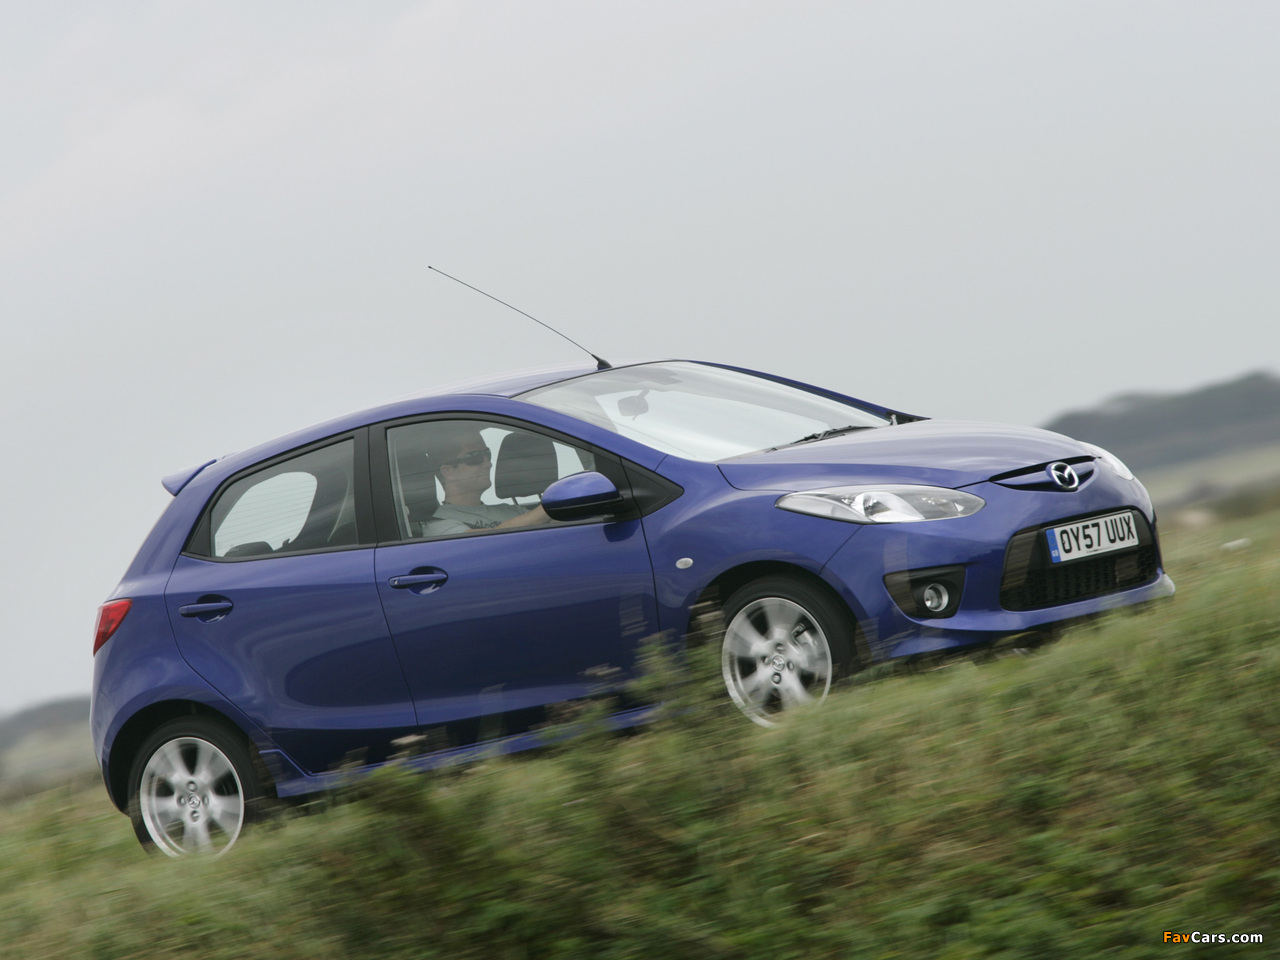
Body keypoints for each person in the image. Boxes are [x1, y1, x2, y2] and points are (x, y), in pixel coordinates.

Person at [421, 423, 550, 537]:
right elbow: (489, 541)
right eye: (475, 457)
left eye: (487, 454)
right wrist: (548, 508)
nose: (488, 464)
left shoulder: (512, 511)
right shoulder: (439, 526)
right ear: (448, 472)